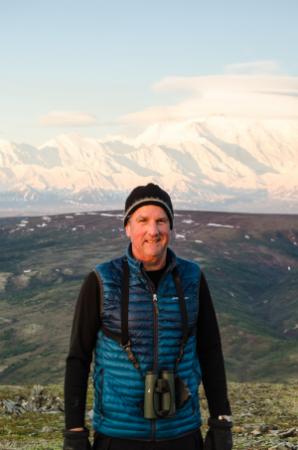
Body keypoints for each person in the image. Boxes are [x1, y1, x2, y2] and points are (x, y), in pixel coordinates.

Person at [63, 183, 232, 450]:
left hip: (182, 434)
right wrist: (74, 431)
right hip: (118, 436)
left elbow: (210, 350)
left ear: (170, 228)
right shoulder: (102, 280)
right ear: (127, 227)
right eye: (142, 220)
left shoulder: (192, 278)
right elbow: (78, 358)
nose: (153, 231)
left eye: (161, 221)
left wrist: (221, 421)